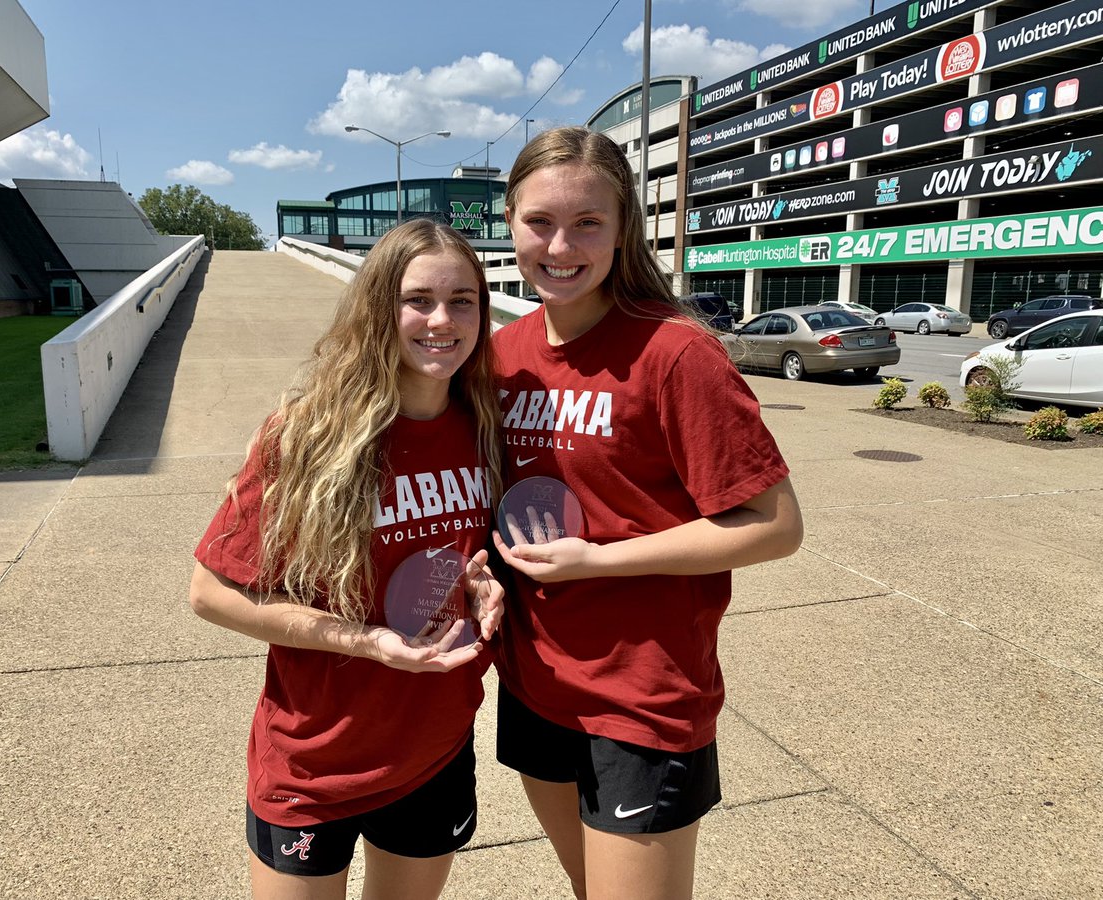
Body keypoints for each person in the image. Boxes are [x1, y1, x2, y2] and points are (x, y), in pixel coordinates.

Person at [491, 126, 804, 900]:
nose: (561, 244)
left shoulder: (675, 353)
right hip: (535, 683)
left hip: (644, 694)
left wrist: (598, 560)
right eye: (540, 222)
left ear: (623, 226)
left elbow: (775, 524)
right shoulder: (501, 354)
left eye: (588, 222)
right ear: (509, 222)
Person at [189, 218, 504, 900]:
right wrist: (365, 643)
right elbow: (211, 593)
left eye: (463, 300)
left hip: (434, 750)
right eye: (418, 299)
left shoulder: (484, 428)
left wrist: (482, 586)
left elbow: (462, 557)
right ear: (378, 308)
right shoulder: (307, 435)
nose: (441, 320)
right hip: (312, 766)